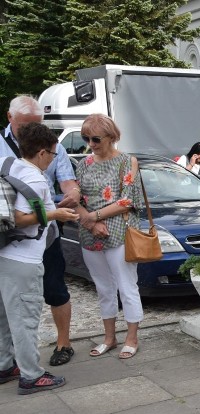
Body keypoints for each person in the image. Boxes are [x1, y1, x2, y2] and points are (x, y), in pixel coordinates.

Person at [1, 95, 80, 367]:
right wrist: (54, 212)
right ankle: (28, 371)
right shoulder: (29, 167)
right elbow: (23, 217)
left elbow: (68, 181)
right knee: (21, 309)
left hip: (43, 239)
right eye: (25, 125)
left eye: (36, 124)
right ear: (10, 118)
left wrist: (73, 193)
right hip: (15, 241)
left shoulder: (49, 145)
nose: (29, 132)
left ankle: (61, 344)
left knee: (55, 289)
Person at [73, 114, 145, 360]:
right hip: (90, 234)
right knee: (103, 288)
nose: (91, 143)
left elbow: (127, 201)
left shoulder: (126, 162)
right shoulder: (83, 164)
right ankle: (109, 337)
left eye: (95, 138)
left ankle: (132, 337)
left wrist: (93, 216)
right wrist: (91, 222)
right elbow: (76, 201)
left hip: (119, 233)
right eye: (86, 138)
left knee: (127, 286)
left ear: (112, 137)